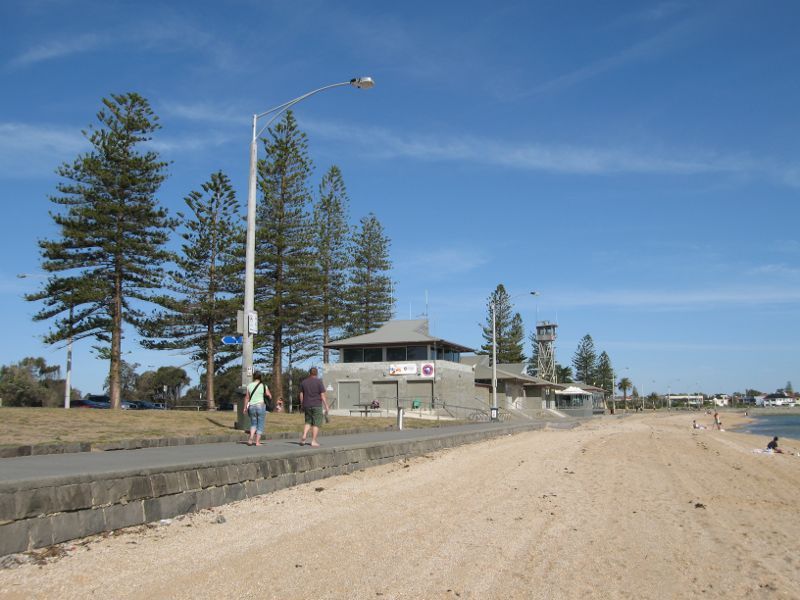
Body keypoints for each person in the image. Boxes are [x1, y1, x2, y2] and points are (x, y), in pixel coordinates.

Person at [299, 367, 329, 447]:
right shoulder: (319, 382)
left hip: (307, 405)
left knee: (308, 421)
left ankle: (304, 435)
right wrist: (326, 405)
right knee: (316, 423)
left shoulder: (304, 382)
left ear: (309, 373)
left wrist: (302, 404)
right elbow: (322, 395)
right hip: (316, 405)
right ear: (317, 373)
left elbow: (301, 394)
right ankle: (313, 441)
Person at [243, 371, 272, 446]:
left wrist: (245, 408)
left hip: (252, 406)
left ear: (254, 377)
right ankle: (257, 442)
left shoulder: (249, 385)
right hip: (260, 406)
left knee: (253, 424)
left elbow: (247, 398)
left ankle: (250, 438)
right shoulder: (263, 386)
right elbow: (269, 395)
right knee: (260, 424)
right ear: (260, 377)